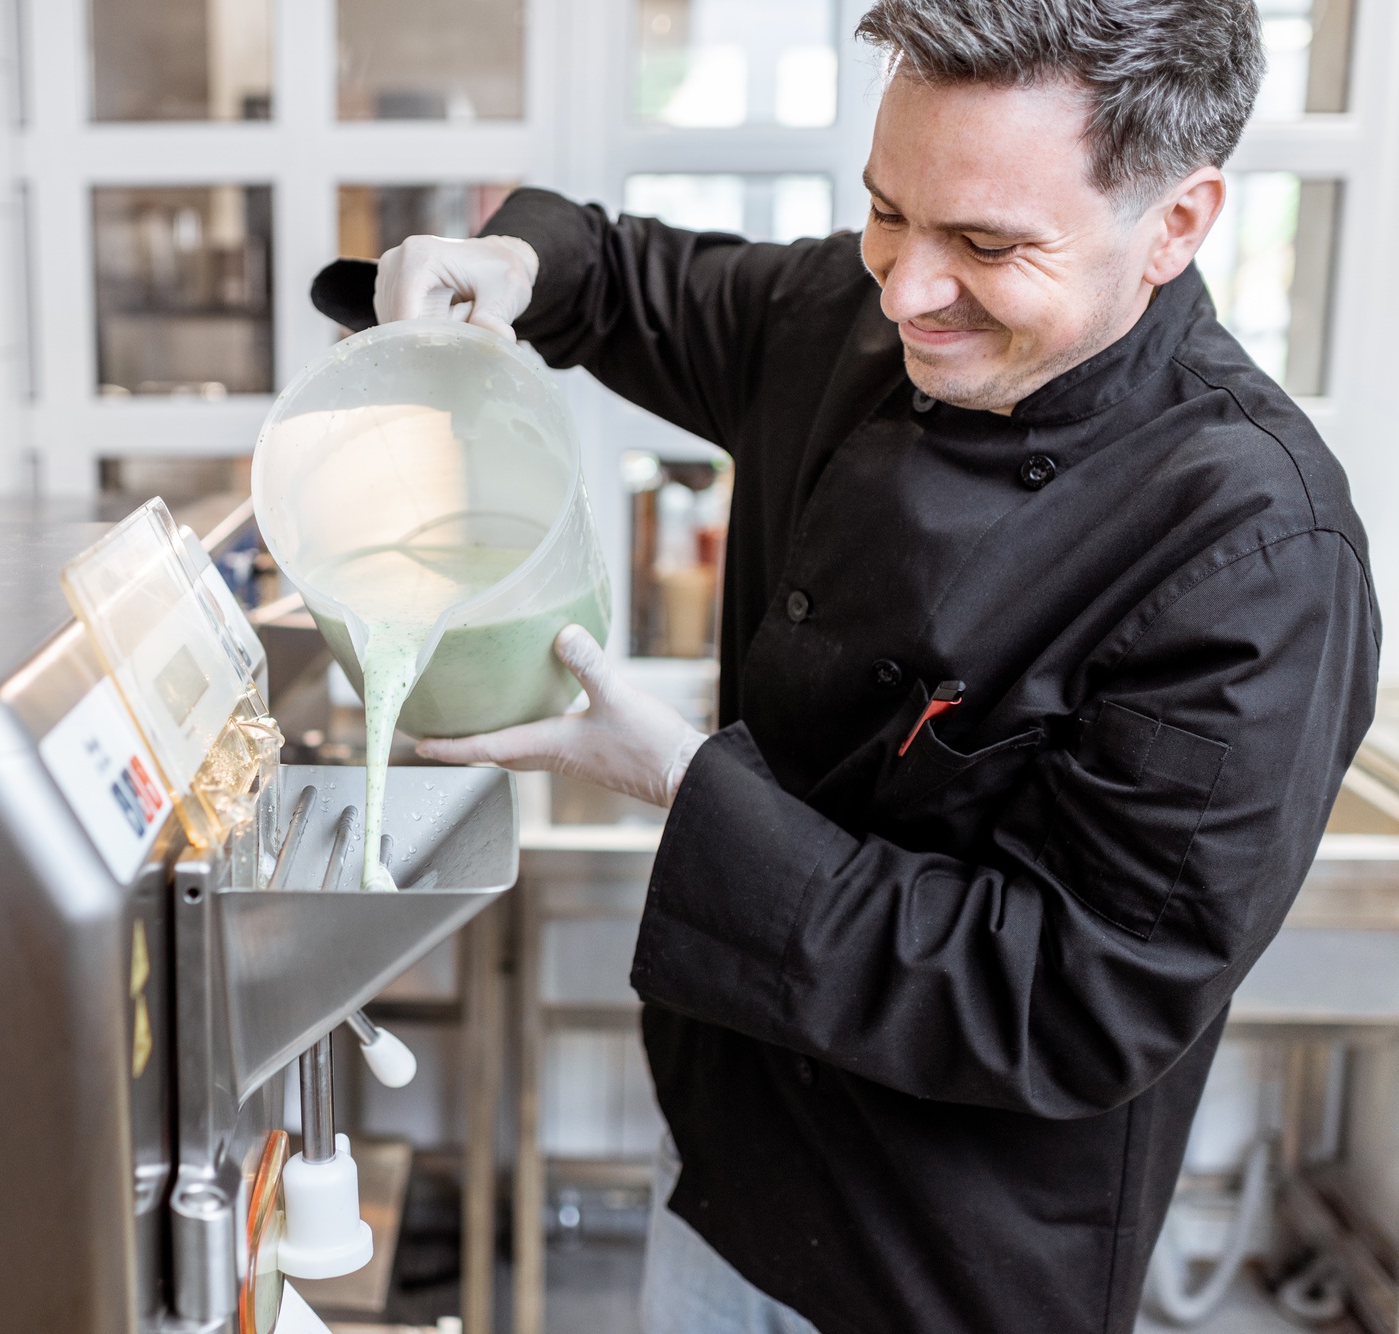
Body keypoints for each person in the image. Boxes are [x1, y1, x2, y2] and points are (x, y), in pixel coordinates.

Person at [310, 1, 1379, 1330]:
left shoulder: (1253, 548)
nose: (905, 289)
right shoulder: (853, 318)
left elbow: (1079, 999)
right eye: (887, 211)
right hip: (719, 1165)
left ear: (1177, 222)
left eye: (986, 244)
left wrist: (687, 785)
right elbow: (623, 272)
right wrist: (509, 268)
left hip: (944, 1264)